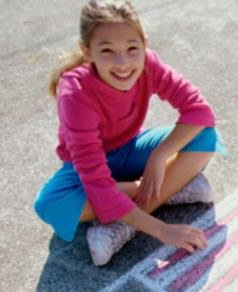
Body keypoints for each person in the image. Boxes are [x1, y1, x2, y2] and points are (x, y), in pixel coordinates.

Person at [34, 0, 224, 266]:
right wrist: (161, 229)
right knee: (50, 205)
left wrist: (159, 157)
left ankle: (121, 226)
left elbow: (200, 112)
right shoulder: (75, 93)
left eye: (132, 48)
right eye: (107, 50)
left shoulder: (148, 63)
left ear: (145, 44)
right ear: (87, 52)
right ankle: (171, 187)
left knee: (205, 136)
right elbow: (96, 182)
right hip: (87, 167)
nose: (123, 63)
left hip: (130, 148)